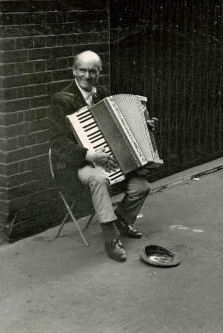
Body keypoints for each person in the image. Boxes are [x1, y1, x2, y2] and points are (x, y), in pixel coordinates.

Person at [48, 50, 154, 262]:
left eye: (93, 72)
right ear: (74, 71)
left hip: (112, 159)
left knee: (141, 187)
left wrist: (144, 125)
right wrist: (90, 155)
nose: (87, 76)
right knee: (99, 179)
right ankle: (110, 239)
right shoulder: (62, 100)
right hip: (79, 165)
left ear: (99, 73)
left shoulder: (103, 94)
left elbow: (119, 129)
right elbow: (58, 143)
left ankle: (121, 221)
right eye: (83, 71)